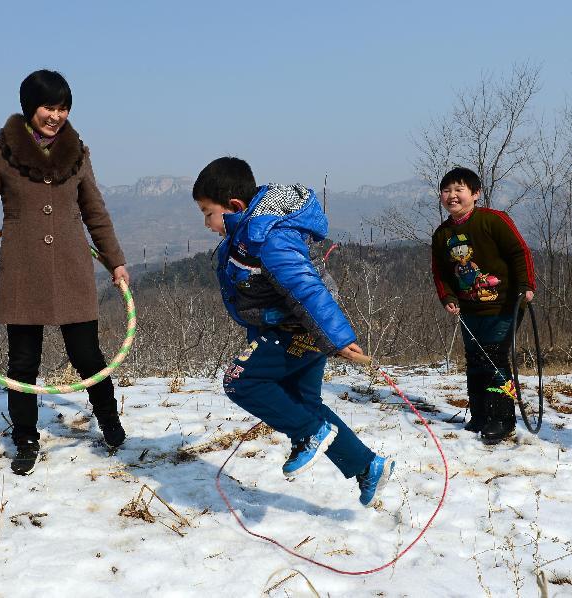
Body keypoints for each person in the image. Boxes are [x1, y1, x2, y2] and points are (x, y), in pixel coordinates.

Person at [0, 70, 129, 476]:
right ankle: (25, 438)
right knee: (23, 363)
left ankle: (110, 421)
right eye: (48, 107)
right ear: (29, 107)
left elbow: (95, 210)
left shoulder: (78, 154)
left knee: (87, 355)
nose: (56, 116)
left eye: (63, 108)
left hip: (74, 266)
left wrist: (115, 261)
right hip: (23, 269)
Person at [192, 156, 395, 507]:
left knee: (240, 381)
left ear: (235, 206)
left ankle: (310, 434)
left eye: (208, 213)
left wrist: (339, 338)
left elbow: (305, 287)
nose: (206, 223)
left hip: (295, 330)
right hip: (297, 329)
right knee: (303, 403)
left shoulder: (269, 238)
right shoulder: (249, 231)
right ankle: (367, 466)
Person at [430, 167, 536, 444]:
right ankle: (479, 415)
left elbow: (519, 252)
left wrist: (526, 285)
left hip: (504, 304)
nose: (452, 196)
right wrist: (448, 297)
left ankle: (502, 419)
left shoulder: (493, 220)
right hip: (469, 309)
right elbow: (441, 273)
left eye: (459, 189)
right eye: (446, 191)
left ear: (475, 193)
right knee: (475, 360)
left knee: (494, 358)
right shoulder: (442, 234)